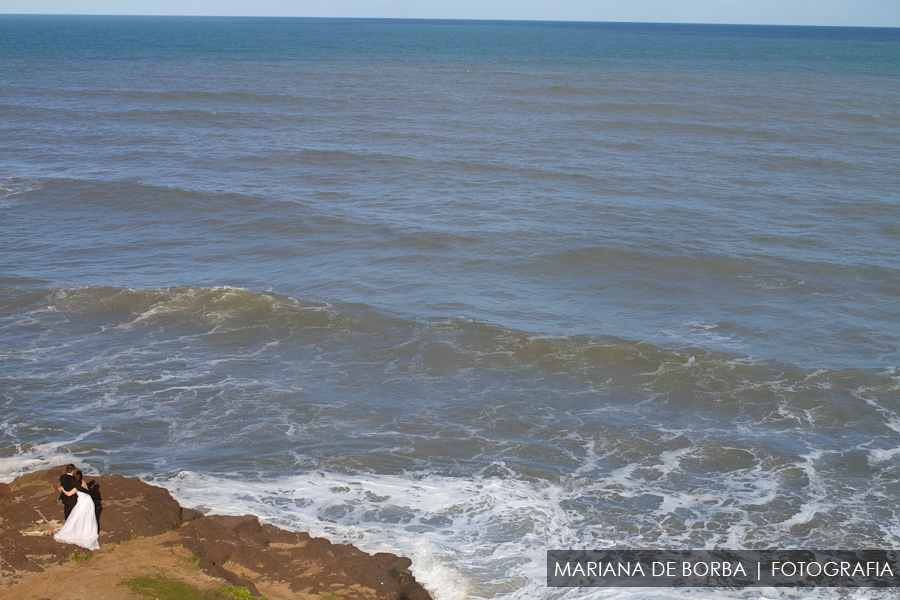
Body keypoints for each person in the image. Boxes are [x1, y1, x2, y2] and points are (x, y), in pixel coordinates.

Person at [54, 469, 100, 550]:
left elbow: (68, 494)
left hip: (82, 502)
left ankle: (80, 531)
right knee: (89, 516)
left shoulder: (76, 486)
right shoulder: (84, 482)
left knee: (77, 516)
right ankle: (88, 531)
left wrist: (62, 489)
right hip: (89, 500)